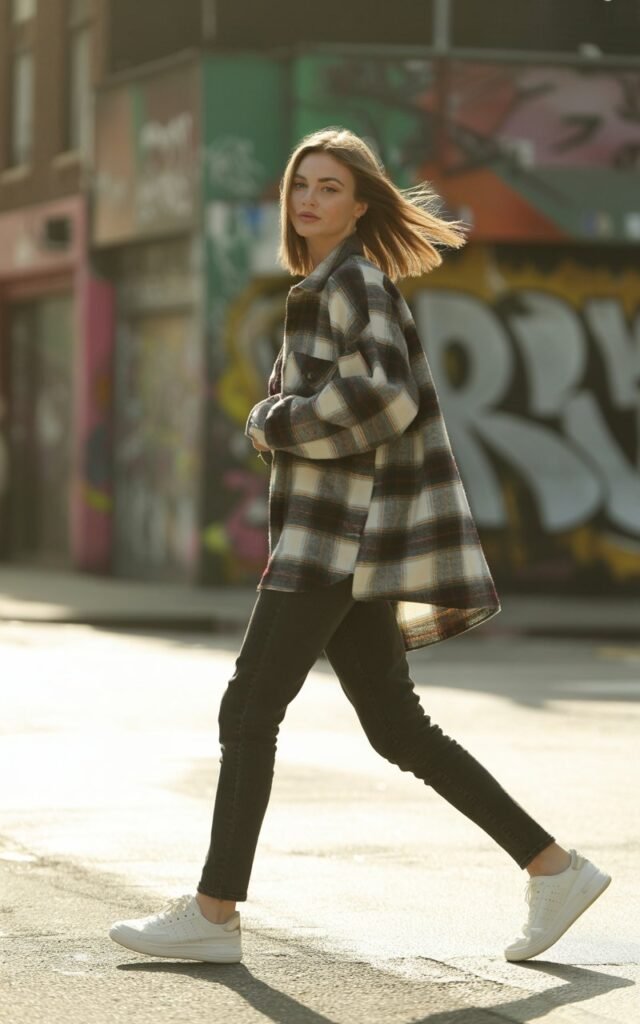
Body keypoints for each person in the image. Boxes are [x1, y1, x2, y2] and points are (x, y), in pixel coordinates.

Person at [109, 127, 610, 965]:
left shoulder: (355, 283)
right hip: (345, 539)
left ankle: (214, 913)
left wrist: (277, 422)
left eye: (330, 187)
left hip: (331, 542)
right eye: (301, 183)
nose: (309, 199)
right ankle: (554, 868)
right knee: (398, 729)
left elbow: (383, 397)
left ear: (361, 203)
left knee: (248, 711)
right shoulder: (327, 283)